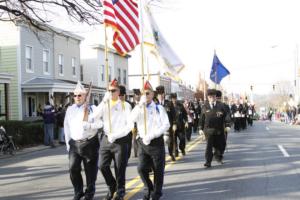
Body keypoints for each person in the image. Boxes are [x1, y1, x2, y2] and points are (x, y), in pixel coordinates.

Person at [130, 81, 170, 200]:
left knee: (158, 170)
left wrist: (153, 135)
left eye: (148, 93)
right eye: (143, 93)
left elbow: (166, 125)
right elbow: (131, 119)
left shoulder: (159, 108)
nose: (145, 96)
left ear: (153, 95)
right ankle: (149, 188)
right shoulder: (138, 108)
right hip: (143, 143)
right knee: (141, 168)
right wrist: (139, 106)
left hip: (156, 142)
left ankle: (157, 193)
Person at [93, 79, 132, 200]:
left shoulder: (125, 106)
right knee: (102, 165)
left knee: (119, 168)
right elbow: (94, 116)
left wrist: (116, 135)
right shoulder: (105, 104)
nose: (110, 92)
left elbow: (129, 126)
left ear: (118, 91)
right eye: (109, 90)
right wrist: (103, 102)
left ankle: (120, 190)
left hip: (120, 140)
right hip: (106, 139)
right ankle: (112, 185)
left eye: (113, 90)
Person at [64, 81, 101, 200]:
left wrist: (90, 125)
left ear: (85, 96)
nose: (77, 97)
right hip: (74, 144)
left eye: (79, 95)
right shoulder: (70, 109)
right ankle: (78, 191)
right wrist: (68, 145)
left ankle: (89, 193)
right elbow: (66, 127)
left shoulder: (93, 108)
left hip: (90, 143)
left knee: (90, 172)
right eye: (75, 95)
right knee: (73, 169)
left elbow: (100, 124)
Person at [199, 89, 231, 168]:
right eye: (210, 97)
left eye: (213, 96)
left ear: (215, 97)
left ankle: (218, 156)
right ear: (208, 97)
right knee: (209, 146)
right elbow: (201, 119)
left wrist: (227, 125)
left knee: (220, 146)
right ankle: (208, 161)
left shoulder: (221, 106)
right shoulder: (204, 106)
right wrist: (200, 128)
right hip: (208, 130)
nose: (212, 98)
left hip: (219, 130)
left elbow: (226, 116)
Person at [155, 85, 176, 161]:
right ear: (157, 95)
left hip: (168, 126)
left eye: (162, 94)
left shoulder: (169, 103)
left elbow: (173, 114)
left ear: (164, 94)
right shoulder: (154, 104)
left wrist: (174, 124)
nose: (161, 96)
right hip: (158, 127)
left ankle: (171, 153)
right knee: (160, 143)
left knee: (170, 142)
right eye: (159, 94)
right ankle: (162, 157)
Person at [170, 93, 187, 157]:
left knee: (182, 139)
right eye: (172, 99)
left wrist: (186, 121)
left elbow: (185, 114)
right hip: (172, 127)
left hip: (180, 126)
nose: (174, 100)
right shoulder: (169, 106)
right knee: (174, 141)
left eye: (175, 98)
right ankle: (176, 151)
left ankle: (182, 148)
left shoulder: (180, 105)